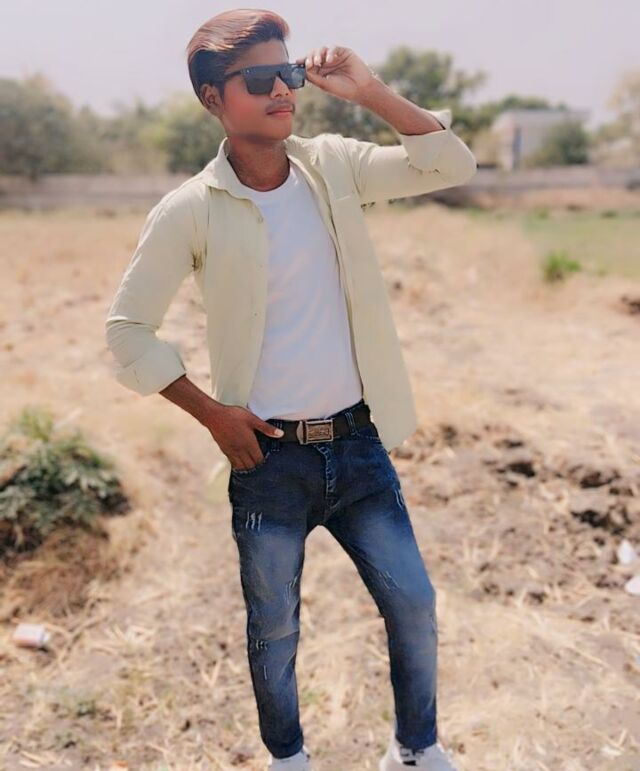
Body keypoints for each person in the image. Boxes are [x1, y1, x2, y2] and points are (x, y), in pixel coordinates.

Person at [105, 9, 476, 770]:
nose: (282, 89)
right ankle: (289, 759)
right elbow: (127, 330)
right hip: (268, 460)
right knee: (274, 630)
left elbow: (450, 165)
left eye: (288, 72)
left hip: (359, 444)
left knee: (414, 602)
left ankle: (415, 750)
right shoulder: (190, 209)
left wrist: (370, 92)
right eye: (259, 78)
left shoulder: (333, 165)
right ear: (213, 99)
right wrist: (211, 414)